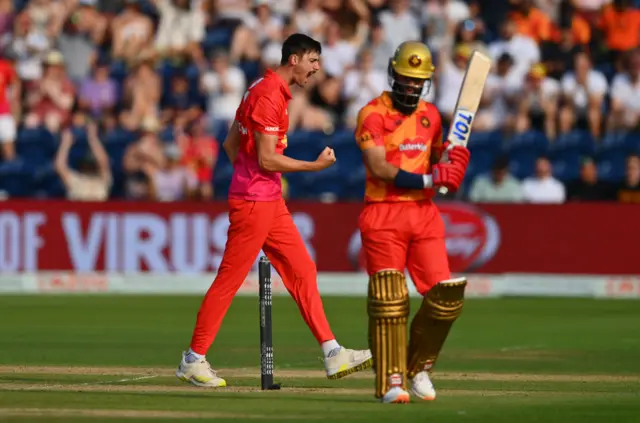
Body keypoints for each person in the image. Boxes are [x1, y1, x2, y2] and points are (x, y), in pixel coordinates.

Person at [176, 33, 372, 388]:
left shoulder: (262, 89)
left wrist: (249, 178)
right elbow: (265, 158)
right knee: (230, 279)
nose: (317, 68)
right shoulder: (268, 95)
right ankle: (193, 359)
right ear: (294, 59)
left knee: (301, 268)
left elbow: (230, 144)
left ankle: (332, 352)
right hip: (255, 202)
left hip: (266, 199)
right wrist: (312, 167)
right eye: (313, 60)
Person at [355, 41, 471, 404]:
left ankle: (417, 366)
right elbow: (378, 167)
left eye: (417, 82)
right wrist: (427, 180)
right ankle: (392, 379)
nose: (410, 87)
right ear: (394, 74)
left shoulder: (432, 116)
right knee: (391, 299)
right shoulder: (371, 113)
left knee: (445, 297)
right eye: (405, 79)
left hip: (424, 215)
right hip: (383, 212)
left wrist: (455, 165)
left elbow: (441, 161)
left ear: (426, 83)